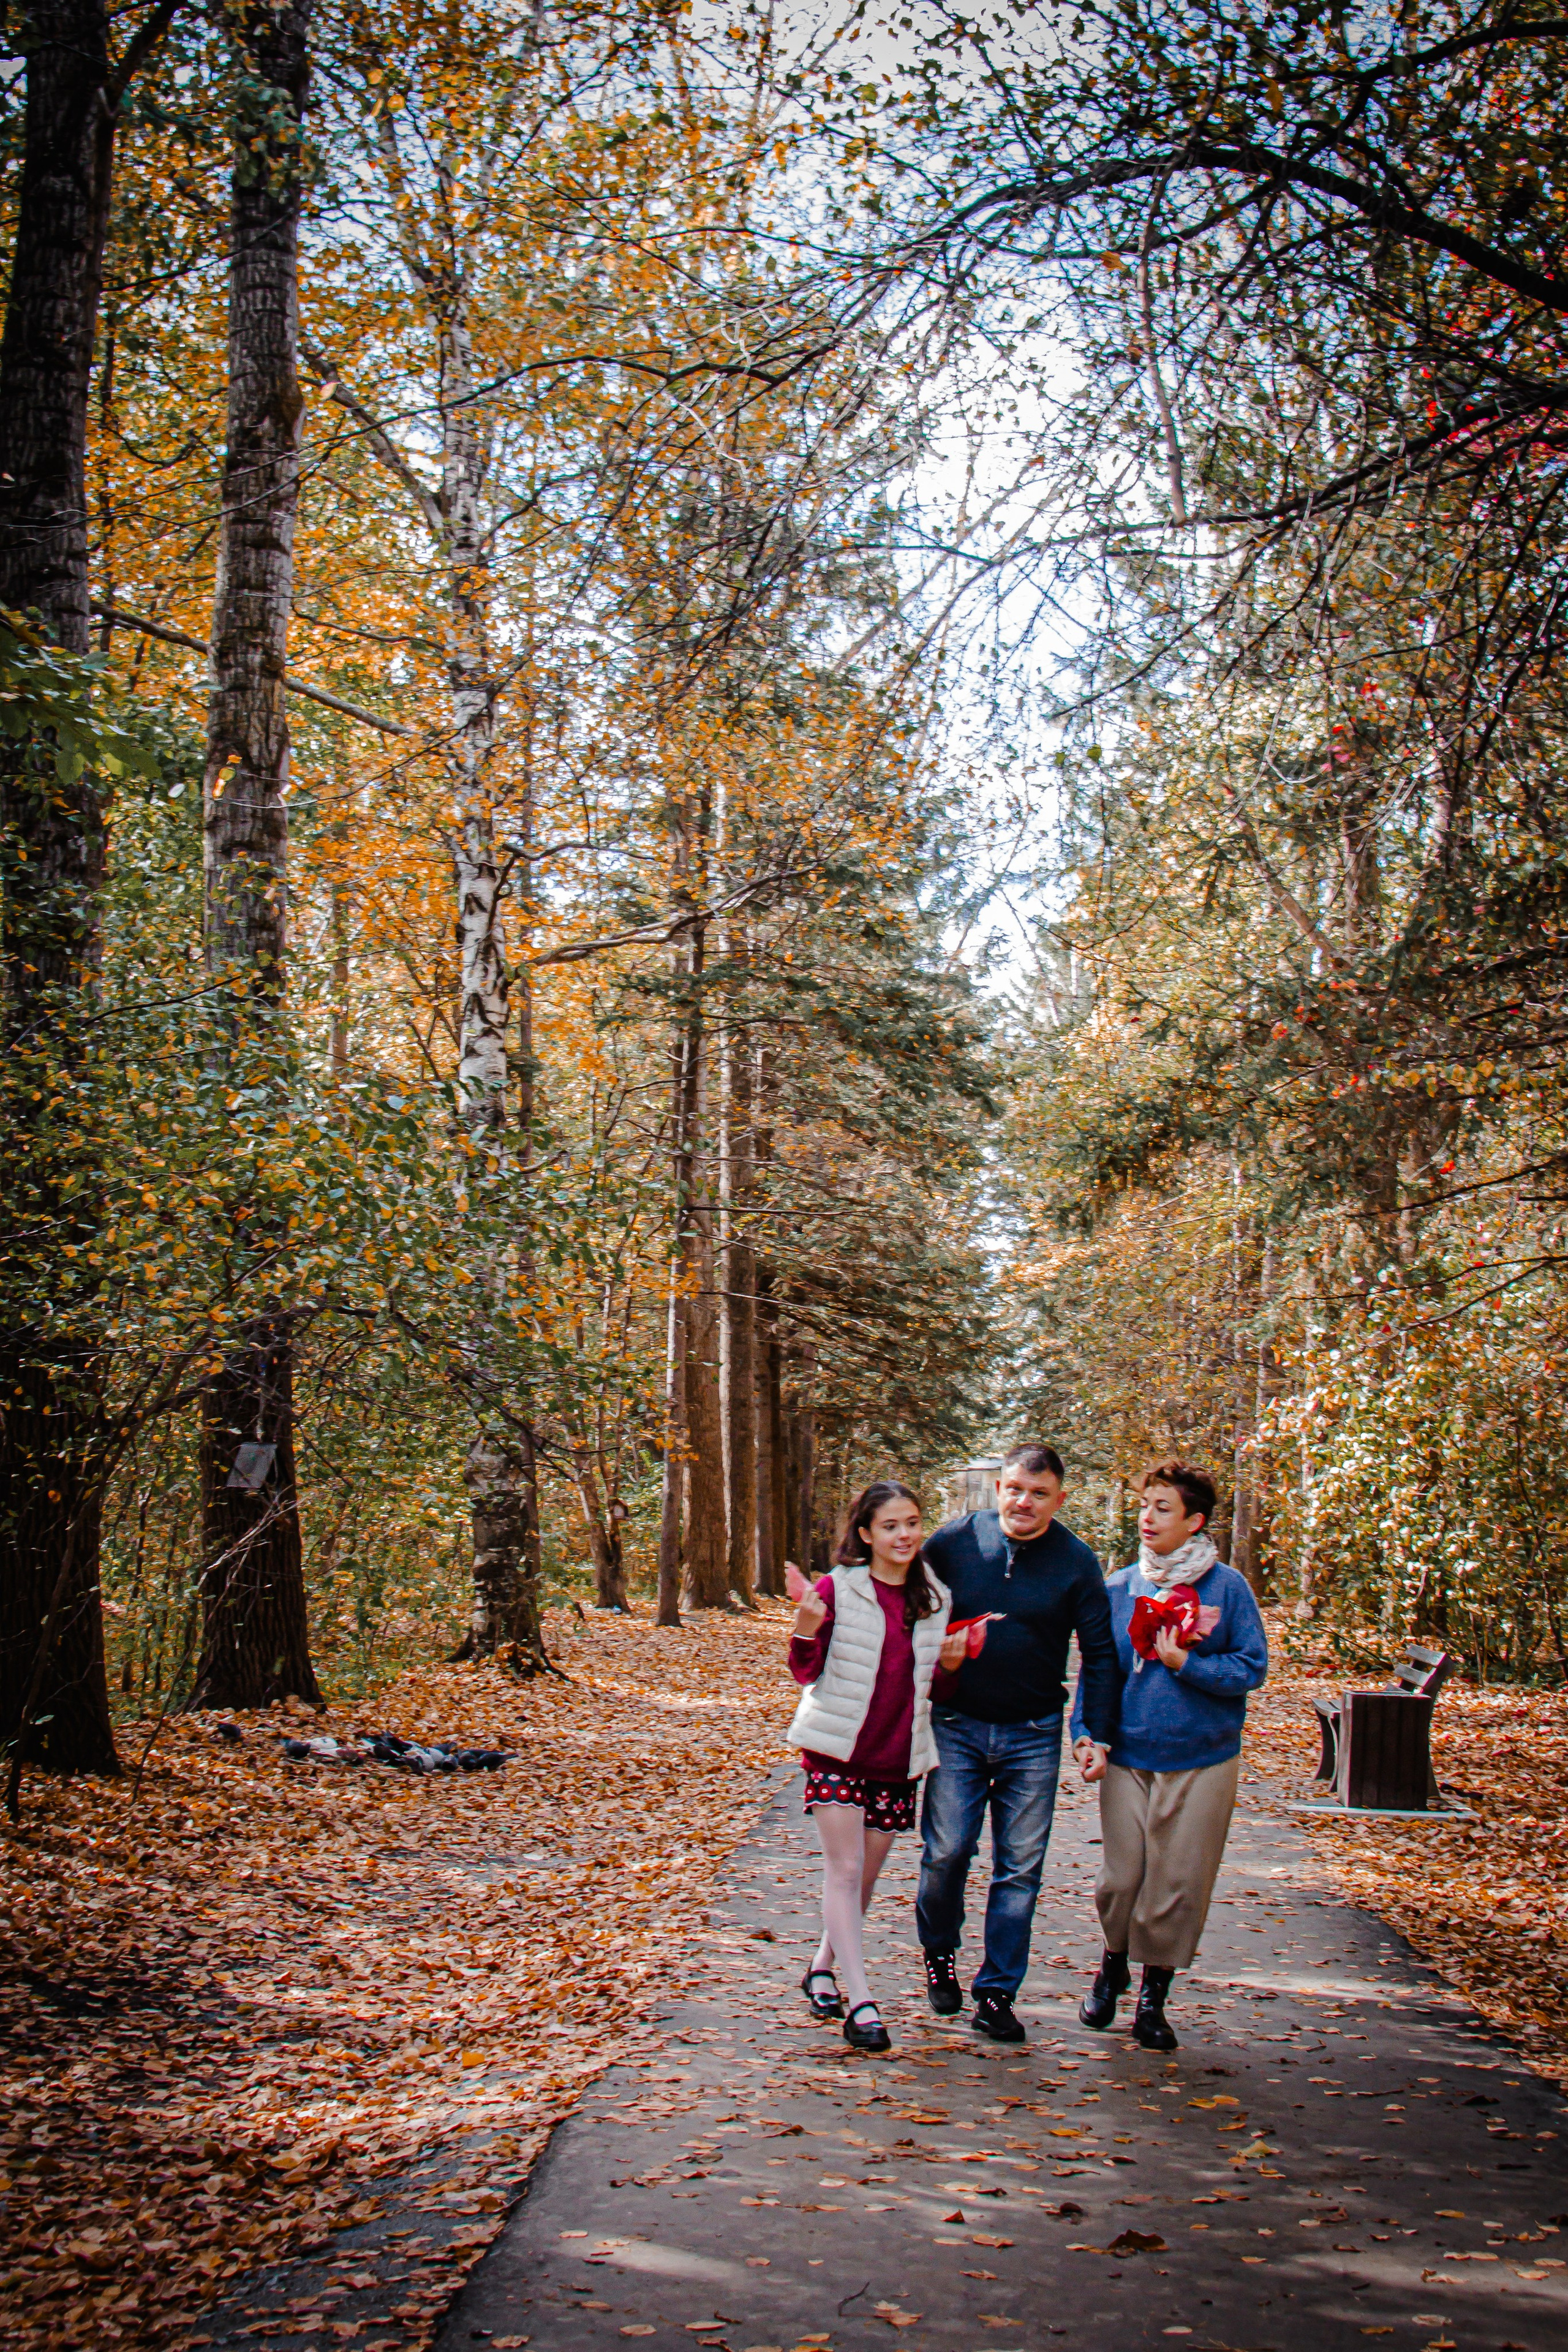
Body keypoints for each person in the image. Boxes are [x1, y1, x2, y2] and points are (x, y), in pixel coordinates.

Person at [915, 1442, 1121, 2043]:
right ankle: (938, 1955)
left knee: (1020, 1869)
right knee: (946, 1851)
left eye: (1037, 1493)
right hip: (956, 1726)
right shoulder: (952, 1544)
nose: (1022, 1502)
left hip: (1032, 1735)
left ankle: (997, 1993)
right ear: (998, 1488)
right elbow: (905, 1615)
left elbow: (1100, 1655)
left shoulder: (1076, 1563)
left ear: (1059, 1498)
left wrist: (1093, 1732)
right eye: (1012, 1489)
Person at [1071, 1458, 1268, 2051]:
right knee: (1122, 1878)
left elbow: (1250, 1668)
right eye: (1143, 1506)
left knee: (1176, 1883)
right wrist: (1086, 1736)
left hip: (1203, 1756)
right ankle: (1113, 1963)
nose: (1147, 1518)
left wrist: (1189, 1665)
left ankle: (1153, 1998)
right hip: (1129, 1755)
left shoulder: (1227, 1588)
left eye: (1162, 1508)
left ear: (1195, 1520)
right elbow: (1096, 1674)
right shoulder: (1117, 1587)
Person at [786, 1480, 964, 2053]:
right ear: (866, 1535)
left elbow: (930, 1684)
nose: (905, 1534)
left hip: (897, 1757)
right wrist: (806, 1628)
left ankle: (820, 1967)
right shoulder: (839, 1588)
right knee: (843, 1871)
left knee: (863, 1880)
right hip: (837, 1750)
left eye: (912, 1522)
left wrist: (954, 1665)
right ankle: (861, 2002)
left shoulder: (935, 1596)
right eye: (890, 1526)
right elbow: (805, 1672)